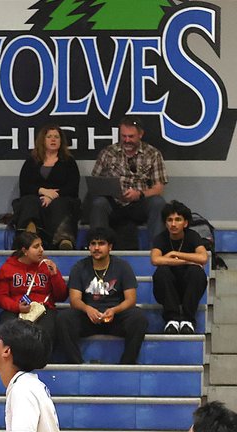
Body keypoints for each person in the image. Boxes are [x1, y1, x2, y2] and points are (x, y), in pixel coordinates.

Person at [55, 227, 148, 364]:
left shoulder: (122, 266)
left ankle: (127, 364)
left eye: (101, 244)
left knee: (139, 318)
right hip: (89, 317)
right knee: (63, 318)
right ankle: (76, 364)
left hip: (114, 317)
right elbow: (74, 300)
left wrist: (114, 310)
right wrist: (88, 309)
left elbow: (131, 299)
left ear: (110, 247)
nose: (96, 248)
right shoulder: (79, 267)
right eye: (93, 244)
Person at [88, 116, 167, 249]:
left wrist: (139, 194)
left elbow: (159, 188)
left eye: (131, 136)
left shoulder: (153, 154)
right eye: (123, 136)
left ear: (140, 134)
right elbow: (95, 182)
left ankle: (157, 249)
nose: (127, 140)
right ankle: (99, 247)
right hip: (113, 203)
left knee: (158, 202)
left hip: (139, 204)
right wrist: (110, 190)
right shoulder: (108, 153)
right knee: (98, 203)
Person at [0, 231, 67, 346]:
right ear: (24, 251)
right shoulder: (8, 268)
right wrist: (16, 307)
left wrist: (55, 275)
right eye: (36, 247)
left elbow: (61, 296)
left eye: (41, 245)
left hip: (44, 309)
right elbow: (1, 296)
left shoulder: (47, 266)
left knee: (45, 332)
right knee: (7, 328)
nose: (41, 250)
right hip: (16, 309)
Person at [13, 124, 80, 250]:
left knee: (60, 204)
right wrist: (42, 191)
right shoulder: (31, 161)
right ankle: (29, 238)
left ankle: (64, 240)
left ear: (61, 141)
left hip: (61, 198)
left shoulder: (69, 162)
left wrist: (53, 195)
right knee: (30, 202)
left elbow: (72, 187)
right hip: (36, 198)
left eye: (56, 137)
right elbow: (25, 185)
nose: (53, 139)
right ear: (42, 140)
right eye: (49, 137)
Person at [150, 200, 208, 335]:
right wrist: (187, 260)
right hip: (167, 290)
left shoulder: (192, 236)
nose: (173, 224)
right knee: (162, 271)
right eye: (169, 220)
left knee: (196, 272)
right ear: (165, 223)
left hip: (188, 288)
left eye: (178, 219)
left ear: (185, 223)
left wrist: (175, 254)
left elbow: (203, 258)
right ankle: (172, 319)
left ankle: (188, 320)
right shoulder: (160, 238)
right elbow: (155, 259)